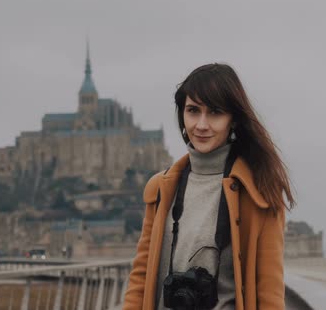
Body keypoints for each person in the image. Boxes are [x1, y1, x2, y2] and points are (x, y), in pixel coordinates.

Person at [123, 63, 295, 310]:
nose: (201, 125)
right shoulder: (161, 188)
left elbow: (270, 293)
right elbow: (139, 279)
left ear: (233, 120)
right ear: (182, 115)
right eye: (193, 111)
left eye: (214, 112)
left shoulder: (258, 192)